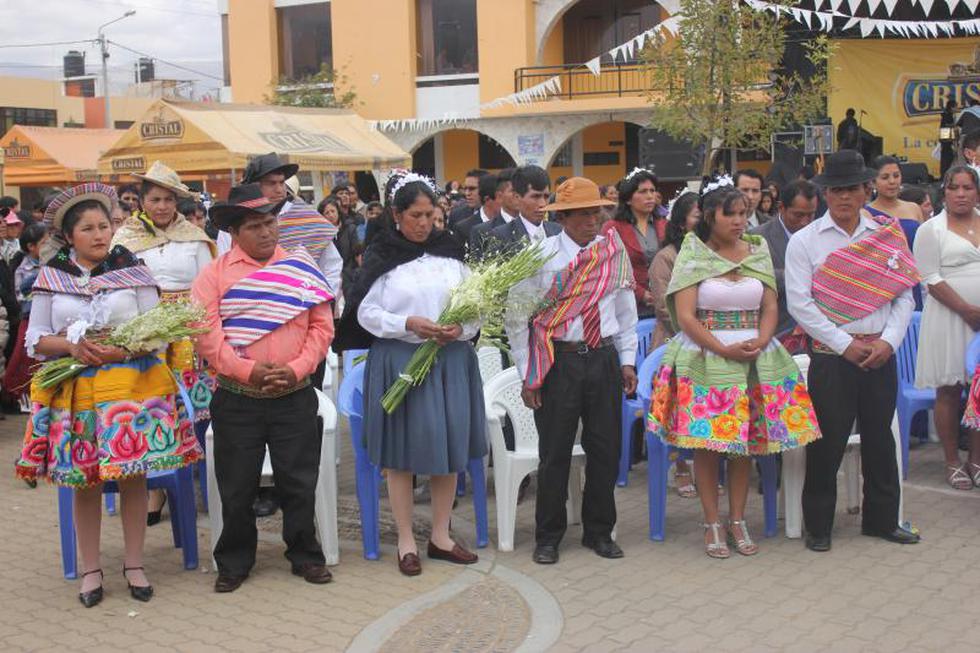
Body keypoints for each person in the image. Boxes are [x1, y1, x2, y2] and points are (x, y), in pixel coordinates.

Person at [15, 183, 202, 606]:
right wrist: (72, 348)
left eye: (105, 226)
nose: (100, 235)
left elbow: (157, 332)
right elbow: (37, 339)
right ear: (69, 235)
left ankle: (134, 564)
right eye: (89, 228)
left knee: (134, 476)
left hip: (131, 391)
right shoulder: (53, 276)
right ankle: (91, 570)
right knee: (85, 482)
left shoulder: (131, 269)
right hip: (77, 392)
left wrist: (120, 349)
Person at [648, 176, 820, 559]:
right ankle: (712, 522)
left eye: (744, 213)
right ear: (711, 216)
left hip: (754, 357)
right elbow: (687, 316)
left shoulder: (757, 250)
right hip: (706, 358)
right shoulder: (693, 254)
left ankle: (738, 519)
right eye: (732, 214)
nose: (741, 221)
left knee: (745, 446)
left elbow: (771, 305)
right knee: (710, 445)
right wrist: (722, 348)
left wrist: (761, 340)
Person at [336, 174, 485, 576]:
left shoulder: (453, 252)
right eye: (415, 215)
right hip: (400, 360)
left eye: (430, 214)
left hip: (450, 360)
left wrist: (462, 328)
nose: (423, 223)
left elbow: (476, 307)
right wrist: (409, 323)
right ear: (397, 215)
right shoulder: (383, 254)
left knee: (449, 452)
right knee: (402, 455)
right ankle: (405, 539)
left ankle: (441, 536)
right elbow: (365, 314)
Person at [193, 183, 335, 593]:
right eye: (255, 226)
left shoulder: (300, 268)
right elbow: (207, 337)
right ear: (235, 233)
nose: (266, 232)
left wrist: (297, 368)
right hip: (239, 398)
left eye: (270, 223)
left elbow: (321, 327)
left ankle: (306, 555)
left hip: (294, 393)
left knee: (299, 481)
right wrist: (246, 371)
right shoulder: (213, 276)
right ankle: (235, 561)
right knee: (237, 486)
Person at [786, 149, 920, 552]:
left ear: (866, 190)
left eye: (852, 190)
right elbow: (800, 304)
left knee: (881, 439)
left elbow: (904, 296)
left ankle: (882, 521)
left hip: (880, 353)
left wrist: (887, 342)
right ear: (826, 194)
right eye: (836, 190)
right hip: (832, 358)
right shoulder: (805, 242)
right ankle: (819, 527)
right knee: (826, 443)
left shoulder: (887, 233)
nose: (844, 198)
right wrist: (845, 346)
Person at [505, 177, 637, 565]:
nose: (592, 220)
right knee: (554, 452)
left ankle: (599, 531)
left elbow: (626, 314)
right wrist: (529, 372)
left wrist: (628, 360)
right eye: (583, 213)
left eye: (596, 211)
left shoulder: (613, 254)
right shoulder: (541, 256)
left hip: (603, 357)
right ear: (563, 217)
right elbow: (517, 317)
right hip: (558, 361)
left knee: (605, 449)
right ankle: (548, 536)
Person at [111, 161, 217, 525]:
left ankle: (198, 484)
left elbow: (207, 286)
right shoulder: (124, 239)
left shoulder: (195, 238)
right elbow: (117, 288)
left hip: (189, 331)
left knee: (195, 408)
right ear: (141, 201)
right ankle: (155, 490)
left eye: (168, 199)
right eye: (154, 199)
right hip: (147, 333)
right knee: (155, 409)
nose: (161, 206)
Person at [912, 165, 980, 490]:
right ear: (945, 192)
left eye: (968, 188)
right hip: (950, 317)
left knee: (979, 392)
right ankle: (952, 461)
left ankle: (976, 460)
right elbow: (930, 277)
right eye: (955, 188)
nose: (961, 194)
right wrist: (967, 310)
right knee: (950, 389)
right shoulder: (931, 229)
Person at [648, 190, 701, 498]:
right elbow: (663, 308)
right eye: (697, 215)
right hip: (673, 340)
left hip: (707, 341)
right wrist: (698, 328)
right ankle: (679, 465)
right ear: (681, 223)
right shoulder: (666, 257)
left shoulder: (710, 253)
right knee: (679, 400)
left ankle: (706, 462)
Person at [749, 180, 819, 340]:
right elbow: (752, 278)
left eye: (811, 215)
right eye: (798, 215)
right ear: (781, 208)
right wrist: (796, 275)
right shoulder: (757, 238)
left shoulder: (821, 236)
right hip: (775, 334)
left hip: (816, 335)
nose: (805, 222)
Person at [867, 155, 926, 310]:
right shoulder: (866, 214)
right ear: (873, 182)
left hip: (915, 280)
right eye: (885, 177)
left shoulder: (914, 208)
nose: (892, 181)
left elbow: (925, 246)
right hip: (885, 284)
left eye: (896, 175)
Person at [601, 168, 662, 318]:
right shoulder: (613, 228)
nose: (650, 196)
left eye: (652, 191)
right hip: (627, 307)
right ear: (628, 198)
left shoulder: (665, 225)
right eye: (642, 192)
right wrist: (641, 294)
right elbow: (610, 270)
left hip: (663, 306)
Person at [3, 222, 47, 404]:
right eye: (45, 243)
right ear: (31, 246)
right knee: (23, 359)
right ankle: (16, 394)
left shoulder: (54, 262)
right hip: (28, 317)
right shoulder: (23, 267)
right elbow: (21, 294)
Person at [487, 165, 562, 252]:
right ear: (517, 198)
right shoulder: (500, 236)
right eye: (535, 197)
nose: (543, 204)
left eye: (546, 196)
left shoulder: (559, 231)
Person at [468, 169, 517, 260]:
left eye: (522, 190)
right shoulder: (482, 231)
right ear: (499, 196)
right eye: (513, 191)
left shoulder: (535, 224)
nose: (519, 195)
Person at [453, 172, 502, 245]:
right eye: (465, 189)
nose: (467, 193)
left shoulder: (512, 221)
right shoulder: (460, 223)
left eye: (472, 189)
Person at [940, 100, 958, 178]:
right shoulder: (948, 116)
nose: (957, 109)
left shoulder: (947, 115)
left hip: (946, 140)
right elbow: (947, 129)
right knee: (947, 159)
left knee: (947, 158)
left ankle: (945, 175)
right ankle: (945, 175)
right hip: (947, 141)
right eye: (955, 107)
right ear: (952, 107)